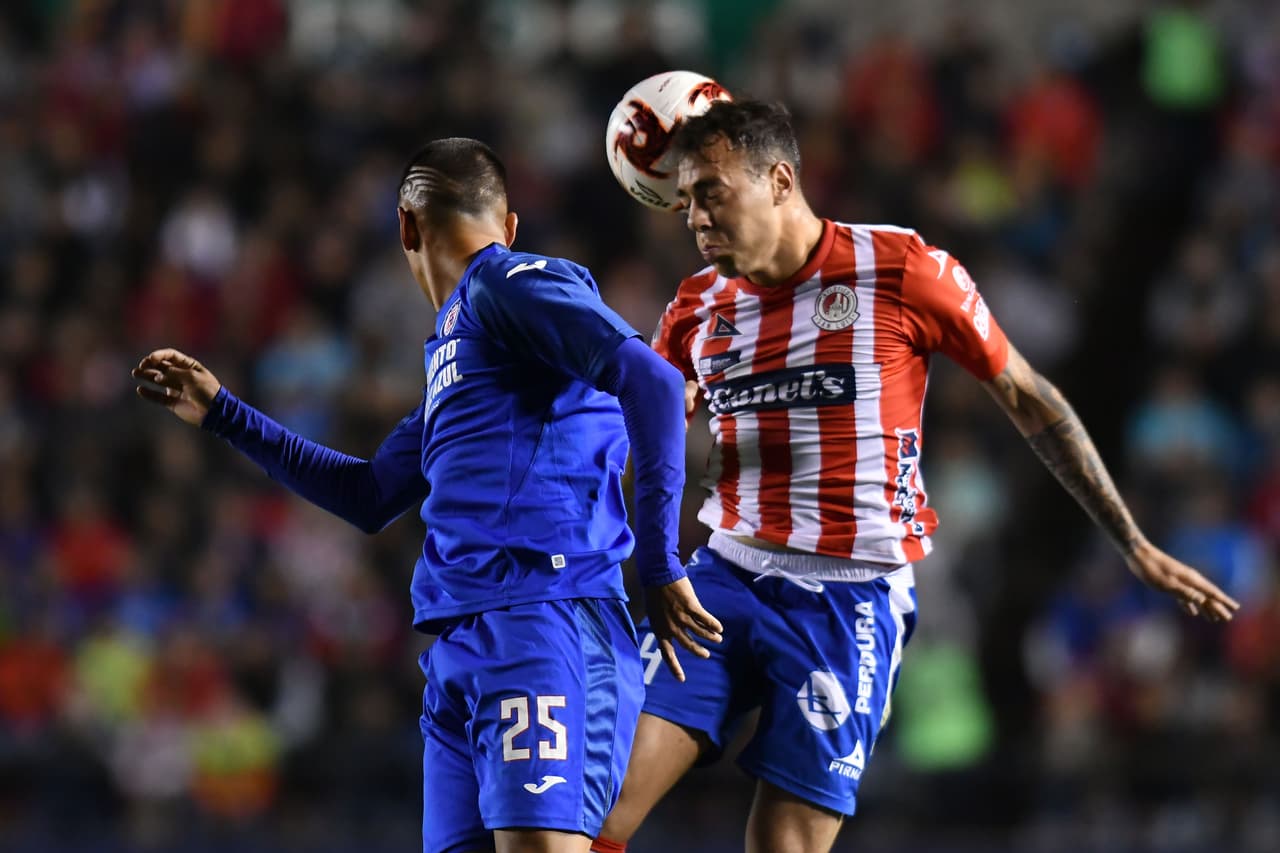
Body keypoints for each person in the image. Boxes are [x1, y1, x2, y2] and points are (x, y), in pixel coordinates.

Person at [591, 101, 1240, 853]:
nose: (694, 215)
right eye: (684, 200)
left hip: (848, 596)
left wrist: (1131, 541)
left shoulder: (900, 270)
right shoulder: (696, 306)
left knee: (783, 844)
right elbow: (635, 446)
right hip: (723, 576)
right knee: (596, 806)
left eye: (710, 192)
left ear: (779, 180)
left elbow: (1030, 398)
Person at [132, 137, 722, 853]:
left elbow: (654, 383)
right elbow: (370, 493)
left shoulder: (509, 283)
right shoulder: (461, 353)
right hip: (463, 645)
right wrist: (226, 412)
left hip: (542, 620)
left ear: (406, 227)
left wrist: (660, 565)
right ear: (507, 221)